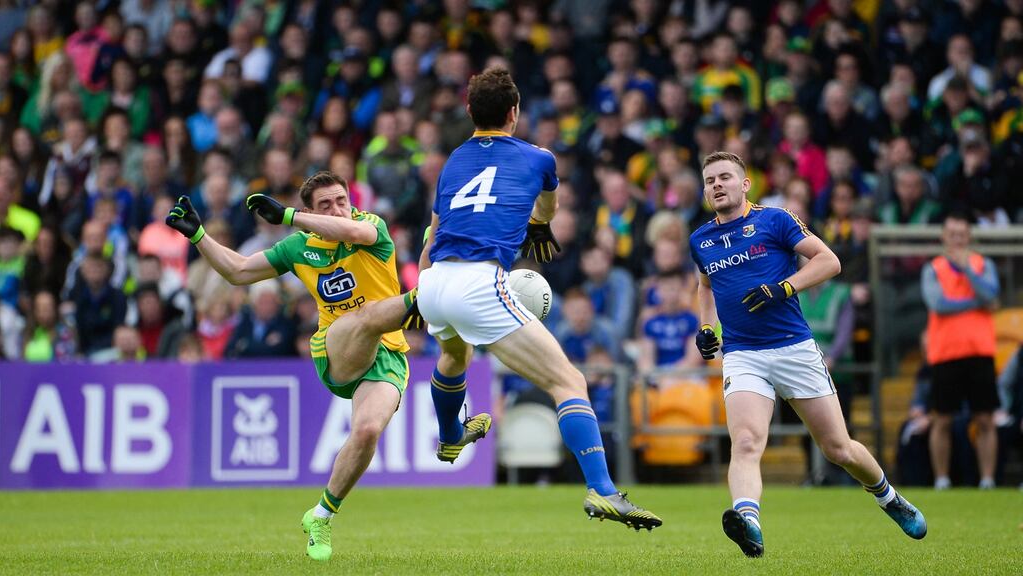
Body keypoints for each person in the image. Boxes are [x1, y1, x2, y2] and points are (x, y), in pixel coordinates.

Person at [412, 67, 661, 530]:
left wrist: (424, 290)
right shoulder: (539, 157)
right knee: (569, 381)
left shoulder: (452, 160)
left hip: (434, 280)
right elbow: (548, 208)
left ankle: (449, 436)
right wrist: (541, 225)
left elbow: (432, 234)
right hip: (479, 281)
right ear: (515, 112)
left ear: (469, 112)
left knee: (455, 353)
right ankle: (604, 492)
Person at [165, 171, 423, 562]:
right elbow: (237, 271)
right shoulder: (299, 247)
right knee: (368, 316)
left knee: (368, 430)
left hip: (388, 355)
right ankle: (425, 302)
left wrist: (287, 216)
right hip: (335, 348)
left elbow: (352, 234)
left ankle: (321, 514)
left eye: (341, 200)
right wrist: (199, 236)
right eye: (326, 205)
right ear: (310, 211)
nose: (338, 209)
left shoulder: (371, 226)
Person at [689, 151, 926, 558]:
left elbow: (829, 261)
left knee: (838, 449)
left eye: (724, 177)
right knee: (745, 442)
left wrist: (784, 288)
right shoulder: (701, 240)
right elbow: (706, 288)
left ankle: (888, 497)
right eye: (709, 180)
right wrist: (707, 329)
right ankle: (749, 522)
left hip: (793, 349)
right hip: (744, 354)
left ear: (745, 184)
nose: (716, 185)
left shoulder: (775, 220)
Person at [921, 213, 1000, 490]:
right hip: (945, 354)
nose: (957, 239)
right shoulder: (933, 268)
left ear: (969, 236)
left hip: (980, 352)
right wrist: (977, 303)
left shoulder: (982, 264)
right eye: (952, 233)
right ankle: (942, 479)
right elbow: (938, 304)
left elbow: (991, 294)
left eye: (962, 233)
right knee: (942, 419)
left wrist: (967, 270)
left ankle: (987, 479)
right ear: (943, 236)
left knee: (985, 418)